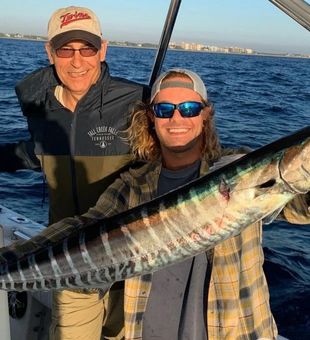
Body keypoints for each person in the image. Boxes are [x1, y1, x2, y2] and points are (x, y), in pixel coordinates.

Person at [65, 67, 309, 339]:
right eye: (165, 109)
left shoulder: (242, 166)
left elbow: (302, 208)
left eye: (190, 108)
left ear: (205, 115)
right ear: (151, 117)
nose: (176, 117)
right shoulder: (131, 186)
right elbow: (85, 230)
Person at [0, 5, 148, 340]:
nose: (77, 61)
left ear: (103, 50)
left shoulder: (136, 100)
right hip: (67, 263)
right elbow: (35, 153)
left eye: (87, 49)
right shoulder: (42, 108)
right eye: (65, 49)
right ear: (49, 52)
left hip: (132, 260)